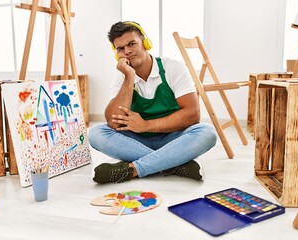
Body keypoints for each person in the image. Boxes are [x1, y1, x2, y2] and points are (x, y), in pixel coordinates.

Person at [89, 21, 217, 184]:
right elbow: (113, 122)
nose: (127, 51)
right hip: (136, 140)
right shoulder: (122, 76)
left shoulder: (173, 67)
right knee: (96, 134)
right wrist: (129, 77)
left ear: (146, 43)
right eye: (120, 49)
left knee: (207, 133)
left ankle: (133, 169)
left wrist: (146, 125)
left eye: (131, 44)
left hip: (174, 137)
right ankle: (174, 163)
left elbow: (192, 115)